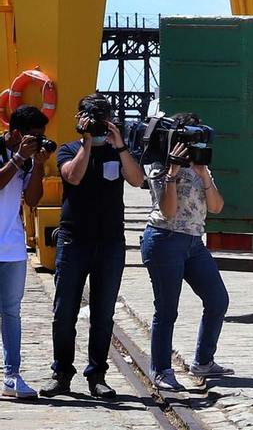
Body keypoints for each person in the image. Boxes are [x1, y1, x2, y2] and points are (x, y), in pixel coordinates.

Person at [42, 95, 146, 399]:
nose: (99, 124)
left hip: (110, 243)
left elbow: (138, 180)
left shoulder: (117, 152)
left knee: (103, 314)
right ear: (80, 119)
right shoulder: (69, 150)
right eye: (92, 119)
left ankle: (97, 375)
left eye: (103, 118)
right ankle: (62, 372)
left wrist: (121, 144)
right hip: (75, 241)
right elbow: (72, 177)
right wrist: (87, 142)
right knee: (64, 313)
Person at [141, 113, 231, 393]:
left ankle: (203, 361)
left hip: (194, 241)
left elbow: (216, 206)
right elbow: (167, 211)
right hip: (164, 239)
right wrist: (172, 175)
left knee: (218, 299)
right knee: (167, 310)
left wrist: (203, 174)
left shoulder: (200, 165)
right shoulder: (159, 166)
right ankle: (161, 371)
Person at [1, 106, 47, 398]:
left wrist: (39, 164)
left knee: (11, 312)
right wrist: (18, 158)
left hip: (13, 246)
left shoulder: (28, 160)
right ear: (17, 134)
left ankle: (11, 375)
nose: (39, 142)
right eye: (35, 137)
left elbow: (32, 200)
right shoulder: (15, 155)